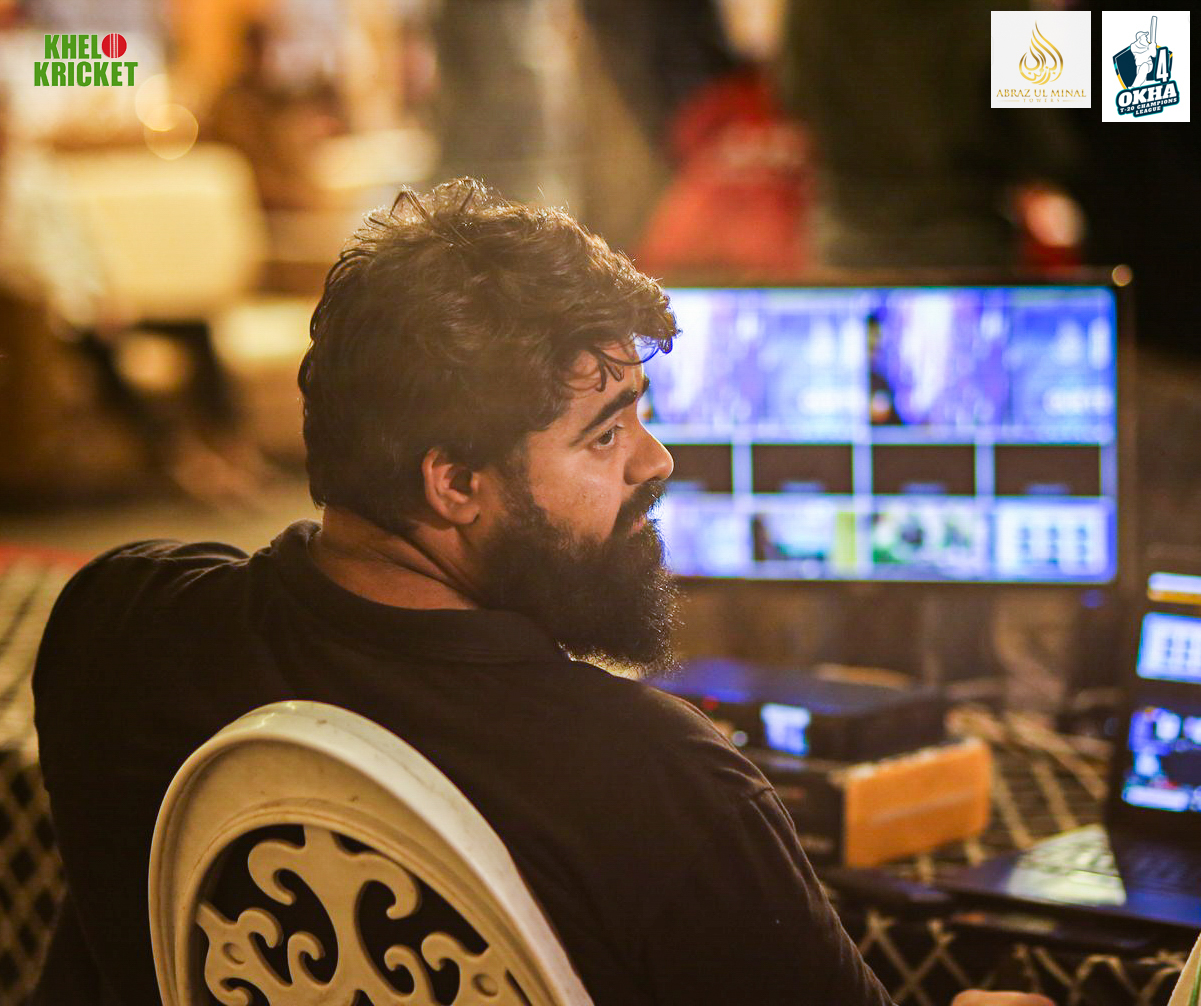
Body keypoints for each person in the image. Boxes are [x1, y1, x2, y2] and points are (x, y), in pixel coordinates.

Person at [33, 179, 1052, 1006]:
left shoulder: (118, 625)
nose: (653, 460)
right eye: (603, 434)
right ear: (454, 483)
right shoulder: (662, 785)